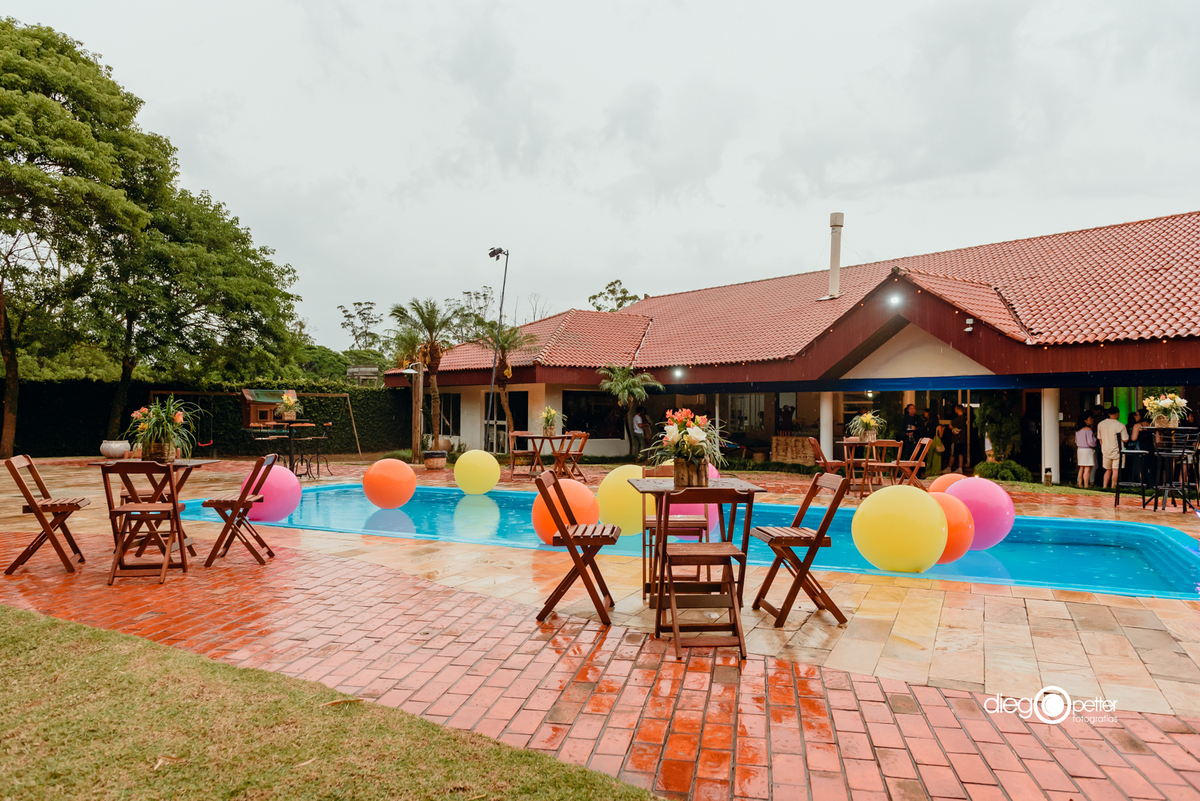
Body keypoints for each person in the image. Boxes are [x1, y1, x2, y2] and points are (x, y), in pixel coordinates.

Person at [1097, 407, 1128, 489]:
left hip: (1105, 450)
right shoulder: (1120, 426)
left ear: (1108, 414)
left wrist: (1103, 447)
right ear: (1118, 413)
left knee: (1108, 470)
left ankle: (1104, 487)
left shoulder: (1101, 424)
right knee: (1116, 470)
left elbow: (1100, 439)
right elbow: (1125, 439)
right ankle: (1113, 487)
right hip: (1117, 451)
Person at [1075, 413, 1097, 487]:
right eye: (1090, 419)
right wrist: (1095, 443)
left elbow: (1076, 441)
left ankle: (1080, 483)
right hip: (1087, 450)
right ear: (1085, 421)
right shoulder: (1089, 430)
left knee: (1081, 468)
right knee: (1087, 469)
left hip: (1080, 449)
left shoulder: (1078, 430)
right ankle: (1086, 485)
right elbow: (1091, 442)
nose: (1092, 420)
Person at [949, 404, 968, 473]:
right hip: (962, 439)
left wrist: (952, 428)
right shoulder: (963, 418)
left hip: (957, 439)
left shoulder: (958, 418)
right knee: (960, 453)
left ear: (958, 409)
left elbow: (951, 426)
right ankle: (960, 468)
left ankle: (949, 467)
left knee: (953, 453)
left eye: (955, 409)